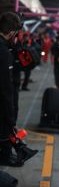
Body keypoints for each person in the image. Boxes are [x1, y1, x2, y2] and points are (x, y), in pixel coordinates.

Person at [0, 12, 23, 167]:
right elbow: (6, 90)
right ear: (11, 33)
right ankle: (5, 157)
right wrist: (10, 118)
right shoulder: (3, 53)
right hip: (2, 105)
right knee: (4, 130)